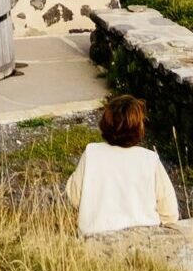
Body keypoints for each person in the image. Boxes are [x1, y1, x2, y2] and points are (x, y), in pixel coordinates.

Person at [65, 93, 181, 235]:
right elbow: (169, 213)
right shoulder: (150, 159)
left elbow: (74, 197)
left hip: (95, 238)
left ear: (105, 124)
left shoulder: (92, 152)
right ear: (139, 126)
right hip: (143, 238)